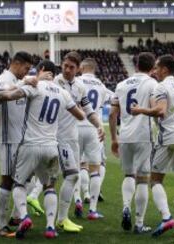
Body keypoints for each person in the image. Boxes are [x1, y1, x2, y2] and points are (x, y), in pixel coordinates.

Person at [0, 60, 85, 239]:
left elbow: (6, 96)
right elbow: (81, 115)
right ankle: (50, 228)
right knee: (49, 186)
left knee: (19, 183)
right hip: (51, 147)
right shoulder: (63, 92)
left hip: (30, 145)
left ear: (41, 70)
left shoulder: (35, 86)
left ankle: (24, 217)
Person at [130, 55, 174, 236]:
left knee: (155, 179)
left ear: (164, 69)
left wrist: (139, 110)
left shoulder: (161, 87)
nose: (154, 71)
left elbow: (160, 110)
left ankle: (166, 217)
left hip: (168, 137)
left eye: (156, 68)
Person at [0, 51, 48, 237]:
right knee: (7, 180)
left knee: (27, 178)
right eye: (26, 68)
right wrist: (25, 81)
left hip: (22, 139)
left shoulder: (18, 80)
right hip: (8, 139)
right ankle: (1, 225)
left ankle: (16, 217)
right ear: (16, 63)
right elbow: (0, 94)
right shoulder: (4, 78)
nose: (26, 72)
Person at [54, 51, 105, 225]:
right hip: (53, 137)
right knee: (55, 177)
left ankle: (61, 218)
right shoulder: (54, 82)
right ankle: (57, 218)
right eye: (65, 66)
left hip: (71, 138)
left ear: (78, 69)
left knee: (71, 176)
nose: (67, 69)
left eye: (71, 67)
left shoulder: (79, 87)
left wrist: (99, 125)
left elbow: (89, 111)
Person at [109, 52, 157, 234]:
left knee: (129, 175)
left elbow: (113, 114)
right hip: (144, 136)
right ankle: (138, 223)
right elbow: (154, 108)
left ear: (136, 65)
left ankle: (126, 206)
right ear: (152, 68)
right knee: (143, 180)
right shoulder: (152, 83)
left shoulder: (121, 85)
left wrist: (114, 138)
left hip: (125, 136)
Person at [77, 58, 108, 205]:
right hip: (94, 127)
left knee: (79, 165)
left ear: (82, 67)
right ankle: (93, 205)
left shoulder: (76, 82)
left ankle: (82, 196)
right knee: (97, 165)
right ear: (94, 69)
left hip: (76, 126)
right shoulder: (101, 86)